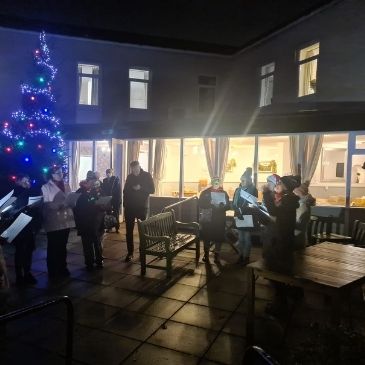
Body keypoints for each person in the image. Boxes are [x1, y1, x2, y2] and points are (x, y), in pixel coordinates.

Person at [262, 175, 300, 316]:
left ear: (286, 186)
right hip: (281, 239)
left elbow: (273, 211)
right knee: (281, 271)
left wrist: (266, 193)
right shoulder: (287, 199)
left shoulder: (289, 199)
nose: (277, 184)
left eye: (280, 182)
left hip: (282, 241)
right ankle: (287, 297)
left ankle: (281, 305)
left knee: (277, 272)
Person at [41, 166, 75, 279]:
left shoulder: (66, 185)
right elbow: (47, 204)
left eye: (61, 172)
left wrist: (72, 202)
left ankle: (63, 267)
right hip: (53, 221)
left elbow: (70, 198)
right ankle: (53, 270)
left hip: (66, 221)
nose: (60, 174)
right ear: (51, 174)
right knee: (53, 247)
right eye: (57, 173)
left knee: (62, 246)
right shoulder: (46, 187)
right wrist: (60, 205)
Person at [123, 161, 155, 262]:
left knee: (142, 231)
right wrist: (125, 204)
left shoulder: (147, 175)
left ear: (139, 167)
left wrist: (141, 188)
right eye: (133, 170)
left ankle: (142, 251)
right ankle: (130, 252)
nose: (134, 172)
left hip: (142, 207)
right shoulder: (129, 177)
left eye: (136, 169)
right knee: (128, 231)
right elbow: (125, 191)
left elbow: (152, 190)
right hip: (130, 207)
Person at [11, 174, 39, 286]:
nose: (28, 183)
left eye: (29, 181)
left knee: (29, 250)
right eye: (25, 181)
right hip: (18, 226)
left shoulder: (31, 192)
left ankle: (27, 273)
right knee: (20, 251)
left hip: (29, 226)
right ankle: (19, 276)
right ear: (18, 181)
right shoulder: (15, 192)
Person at [74, 176, 106, 270]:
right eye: (92, 182)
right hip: (85, 222)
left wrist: (101, 204)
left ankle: (99, 260)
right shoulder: (80, 192)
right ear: (87, 182)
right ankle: (89, 262)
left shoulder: (97, 190)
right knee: (87, 243)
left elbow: (103, 201)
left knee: (97, 242)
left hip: (96, 221)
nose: (94, 184)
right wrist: (93, 204)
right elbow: (78, 206)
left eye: (95, 182)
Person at [198, 176, 230, 263]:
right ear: (212, 182)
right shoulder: (205, 192)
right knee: (206, 237)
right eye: (214, 181)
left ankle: (216, 254)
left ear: (219, 183)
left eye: (217, 182)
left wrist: (221, 206)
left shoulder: (224, 193)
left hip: (219, 219)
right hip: (208, 219)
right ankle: (206, 254)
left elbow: (228, 206)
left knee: (218, 237)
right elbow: (200, 204)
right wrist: (210, 204)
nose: (216, 183)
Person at [232, 167, 258, 265]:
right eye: (241, 180)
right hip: (239, 215)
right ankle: (240, 255)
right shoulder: (238, 190)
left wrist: (243, 209)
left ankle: (246, 257)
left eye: (244, 180)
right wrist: (236, 209)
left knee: (247, 238)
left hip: (248, 216)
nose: (242, 182)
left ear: (249, 180)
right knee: (241, 238)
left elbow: (253, 203)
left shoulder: (253, 190)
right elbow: (234, 202)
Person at [293, 182, 316, 249]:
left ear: (299, 193)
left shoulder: (302, 206)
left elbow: (298, 224)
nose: (293, 194)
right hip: (300, 235)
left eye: (294, 193)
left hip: (297, 236)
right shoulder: (304, 203)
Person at [102, 168, 121, 233]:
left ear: (112, 173)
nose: (108, 174)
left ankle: (117, 228)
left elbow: (117, 190)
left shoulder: (116, 179)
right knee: (108, 213)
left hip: (115, 199)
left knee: (116, 213)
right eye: (107, 173)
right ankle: (109, 228)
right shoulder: (104, 180)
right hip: (108, 199)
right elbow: (103, 189)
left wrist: (112, 195)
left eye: (109, 173)